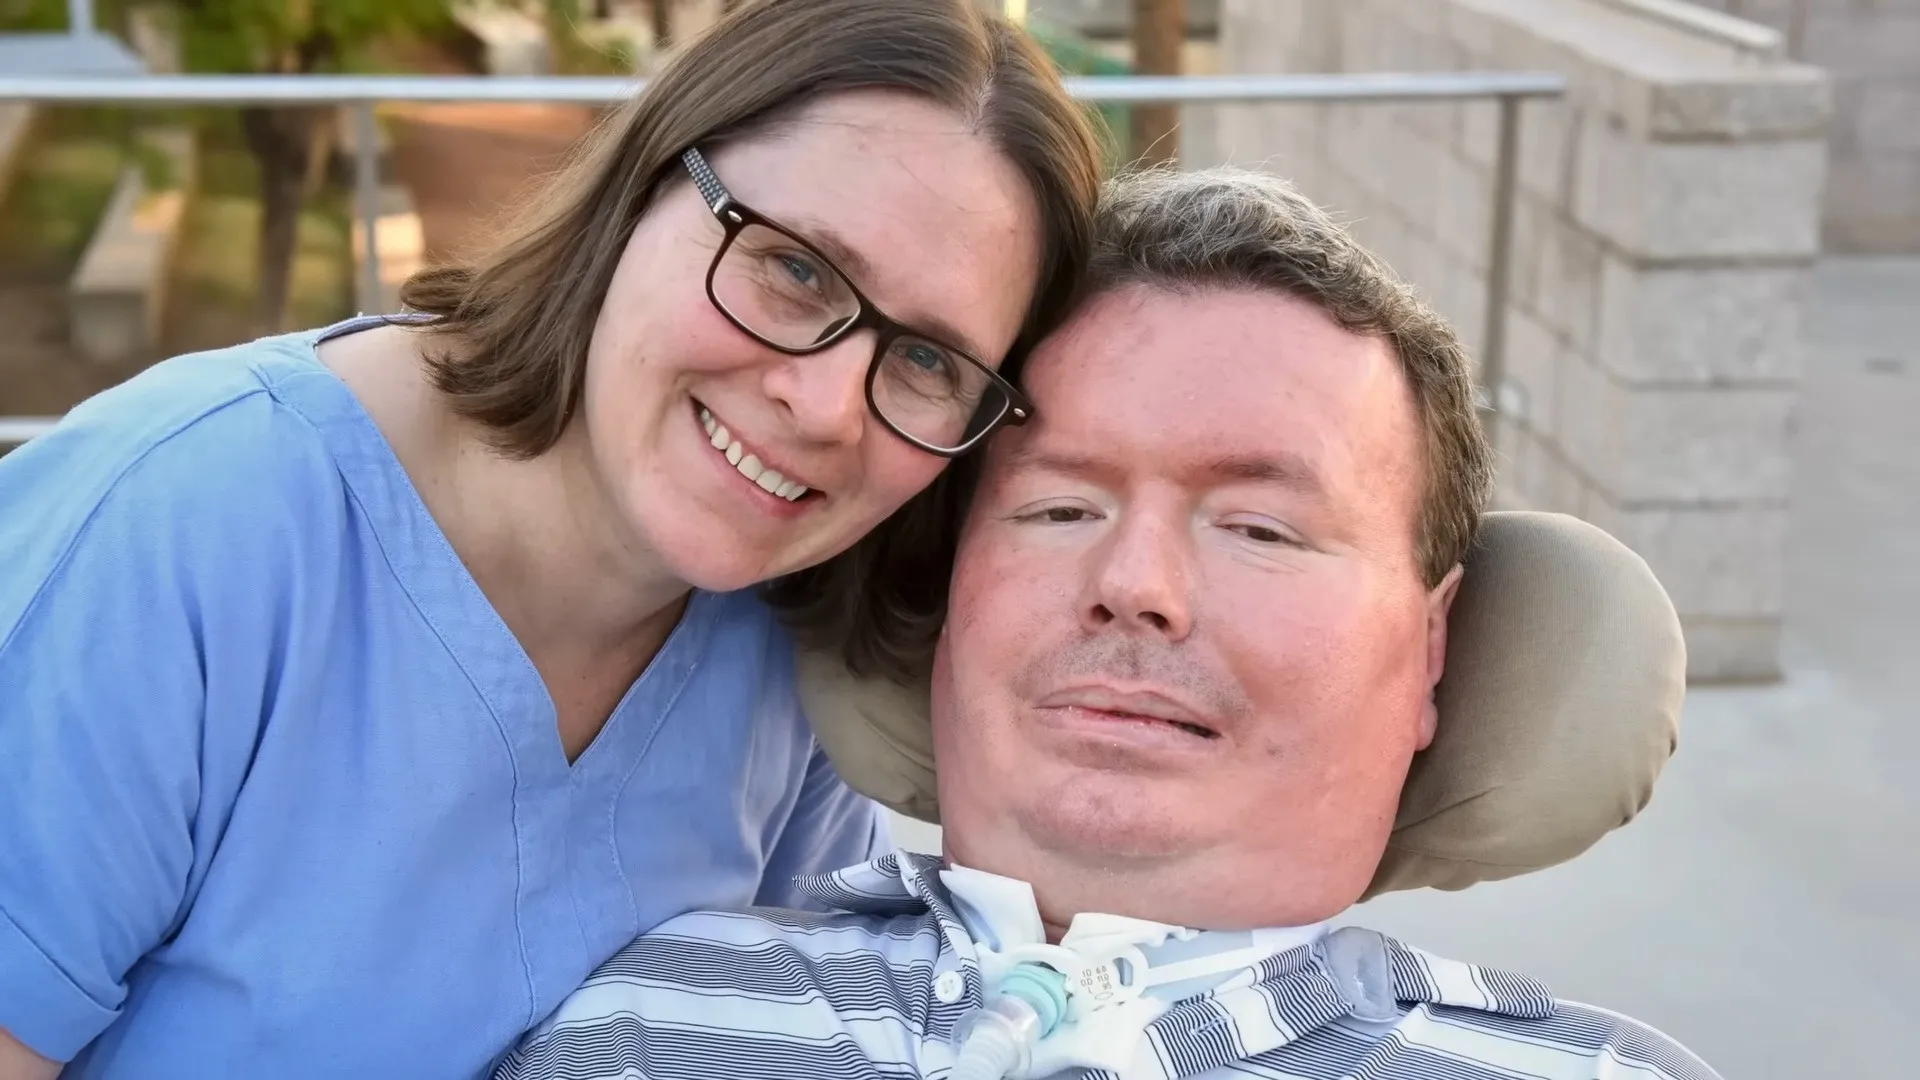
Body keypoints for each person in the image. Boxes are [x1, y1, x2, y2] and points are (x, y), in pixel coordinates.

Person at [0, 2, 1104, 1077]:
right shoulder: (182, 529)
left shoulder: (797, 665)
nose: (824, 407)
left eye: (928, 361)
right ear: (643, 185)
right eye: (796, 269)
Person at [491, 167, 1720, 1080]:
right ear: (944, 591)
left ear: (1432, 649)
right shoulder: (640, 1028)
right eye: (1061, 507)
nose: (1135, 584)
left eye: (1260, 529)